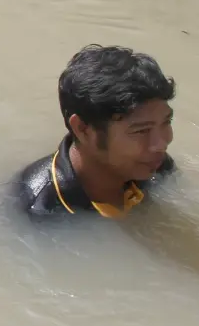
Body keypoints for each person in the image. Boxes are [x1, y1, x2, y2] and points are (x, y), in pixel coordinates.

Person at [13, 45, 177, 218]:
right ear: (83, 129)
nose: (162, 143)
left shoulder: (155, 166)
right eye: (141, 131)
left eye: (167, 122)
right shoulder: (42, 208)